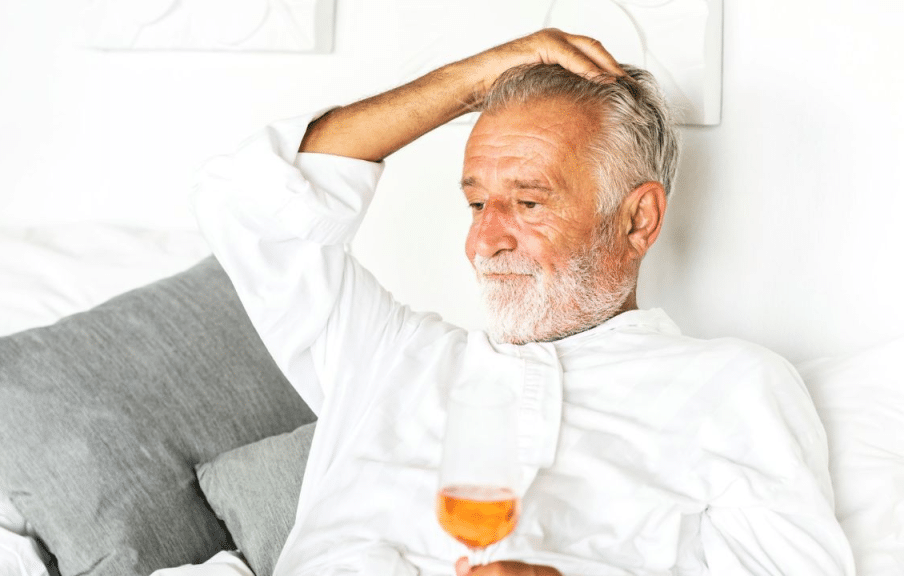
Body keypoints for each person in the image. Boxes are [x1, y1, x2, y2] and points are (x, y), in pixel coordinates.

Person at [190, 29, 855, 576]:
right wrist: (469, 84)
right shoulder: (390, 356)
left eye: (528, 203)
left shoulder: (736, 388)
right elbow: (253, 209)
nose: (485, 239)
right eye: (477, 202)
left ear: (638, 220)